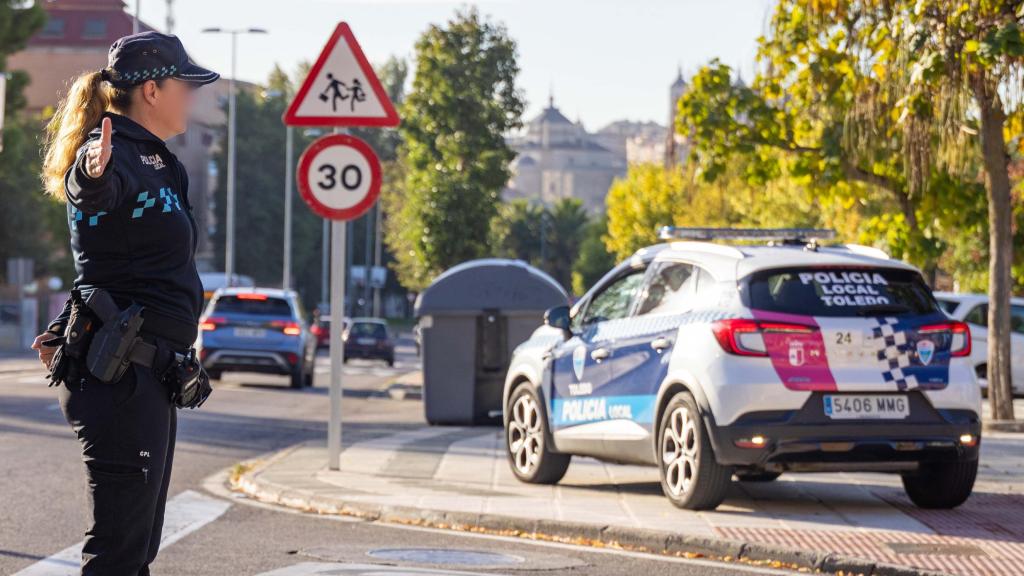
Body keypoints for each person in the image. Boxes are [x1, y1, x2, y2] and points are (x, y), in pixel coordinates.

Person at [31, 31, 219, 575]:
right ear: (153, 90)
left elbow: (113, 262)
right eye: (186, 84)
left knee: (137, 549)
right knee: (118, 551)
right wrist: (92, 170)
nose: (193, 96)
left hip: (150, 374)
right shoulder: (107, 152)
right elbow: (92, 186)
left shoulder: (165, 163)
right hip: (119, 378)